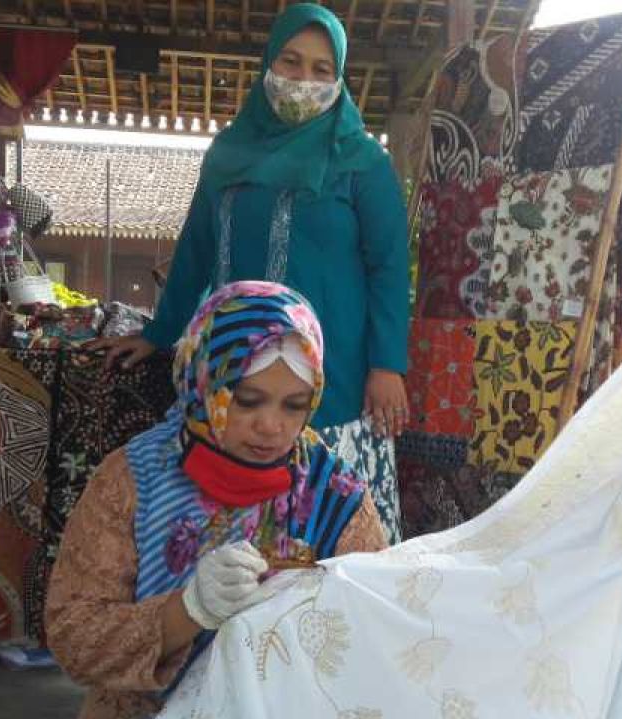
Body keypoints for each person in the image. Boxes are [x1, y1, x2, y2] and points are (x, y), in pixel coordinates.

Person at [45, 282, 389, 719]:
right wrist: (187, 612)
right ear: (201, 381)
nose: (271, 426)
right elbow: (74, 634)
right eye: (247, 400)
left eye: (295, 405)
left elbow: (376, 628)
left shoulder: (333, 496)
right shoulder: (133, 481)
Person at [90, 2, 411, 543]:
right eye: (290, 62)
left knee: (333, 537)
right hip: (236, 375)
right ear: (268, 66)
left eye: (320, 69)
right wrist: (157, 333)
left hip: (335, 374)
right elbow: (195, 249)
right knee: (236, 540)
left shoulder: (362, 162)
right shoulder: (227, 155)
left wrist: (387, 365)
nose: (303, 79)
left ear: (338, 81)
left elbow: (388, 269)